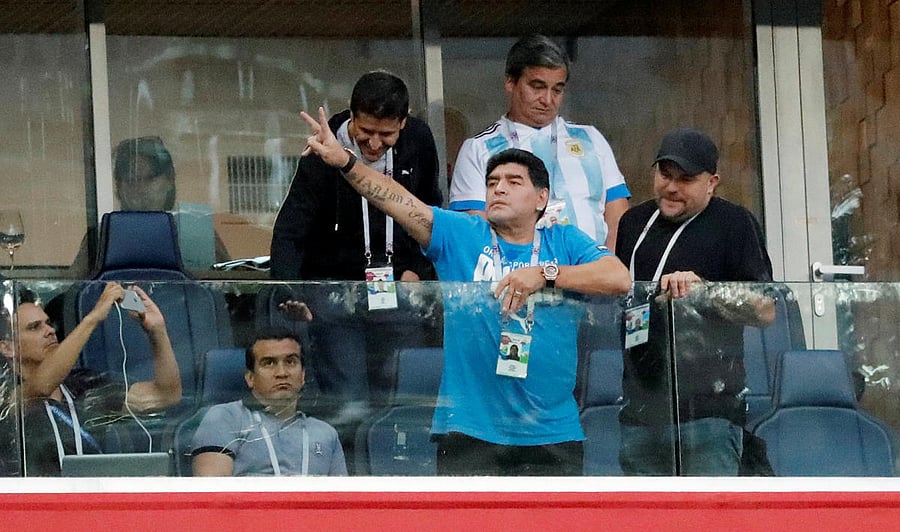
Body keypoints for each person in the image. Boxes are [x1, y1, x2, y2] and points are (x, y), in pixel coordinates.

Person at [301, 105, 631, 475]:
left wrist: (545, 274)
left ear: (541, 198)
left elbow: (618, 278)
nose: (499, 188)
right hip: (470, 431)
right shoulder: (461, 234)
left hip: (553, 431)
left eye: (513, 182)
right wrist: (346, 162)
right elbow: (395, 199)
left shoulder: (564, 240)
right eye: (492, 183)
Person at [270, 71, 443, 422]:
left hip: (398, 288)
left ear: (404, 121)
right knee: (349, 404)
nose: (375, 144)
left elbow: (430, 211)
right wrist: (291, 292)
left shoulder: (419, 140)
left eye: (387, 135)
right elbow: (290, 230)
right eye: (365, 132)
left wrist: (418, 268)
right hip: (337, 293)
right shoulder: (324, 146)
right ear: (351, 113)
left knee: (406, 399)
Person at [614, 127, 775, 476]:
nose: (672, 187)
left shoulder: (734, 223)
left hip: (709, 412)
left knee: (707, 509)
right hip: (640, 409)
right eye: (665, 175)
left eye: (686, 179)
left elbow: (765, 309)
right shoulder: (633, 223)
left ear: (711, 182)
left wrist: (705, 292)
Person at [449, 34, 631, 252]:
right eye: (537, 87)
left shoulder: (591, 139)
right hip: (519, 272)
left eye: (557, 90)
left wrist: (606, 267)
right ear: (510, 82)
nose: (547, 100)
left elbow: (618, 219)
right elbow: (475, 234)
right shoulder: (479, 148)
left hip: (593, 270)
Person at [0, 283, 182, 476]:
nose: (50, 331)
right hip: (30, 494)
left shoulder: (82, 384)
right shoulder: (6, 390)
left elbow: (166, 395)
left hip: (91, 491)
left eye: (48, 323)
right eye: (35, 327)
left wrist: (157, 331)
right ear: (7, 348)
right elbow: (41, 387)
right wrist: (93, 317)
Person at [190, 326, 347, 476]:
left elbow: (342, 494)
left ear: (303, 375)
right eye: (269, 363)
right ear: (250, 378)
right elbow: (213, 491)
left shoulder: (326, 433)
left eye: (290, 362)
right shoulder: (224, 418)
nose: (282, 373)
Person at [69, 136, 228, 277]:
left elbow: (227, 285)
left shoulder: (196, 232)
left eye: (150, 178)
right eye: (131, 179)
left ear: (169, 180)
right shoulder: (102, 236)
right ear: (119, 186)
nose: (140, 187)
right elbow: (74, 290)